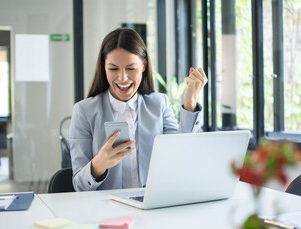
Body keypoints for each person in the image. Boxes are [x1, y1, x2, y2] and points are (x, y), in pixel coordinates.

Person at [69, 28, 207, 191]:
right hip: (105, 210)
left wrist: (190, 102)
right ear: (104, 68)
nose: (122, 78)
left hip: (153, 206)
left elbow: (181, 156)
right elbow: (79, 185)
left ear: (143, 65)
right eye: (113, 69)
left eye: (131, 68)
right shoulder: (84, 111)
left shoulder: (159, 104)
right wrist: (98, 165)